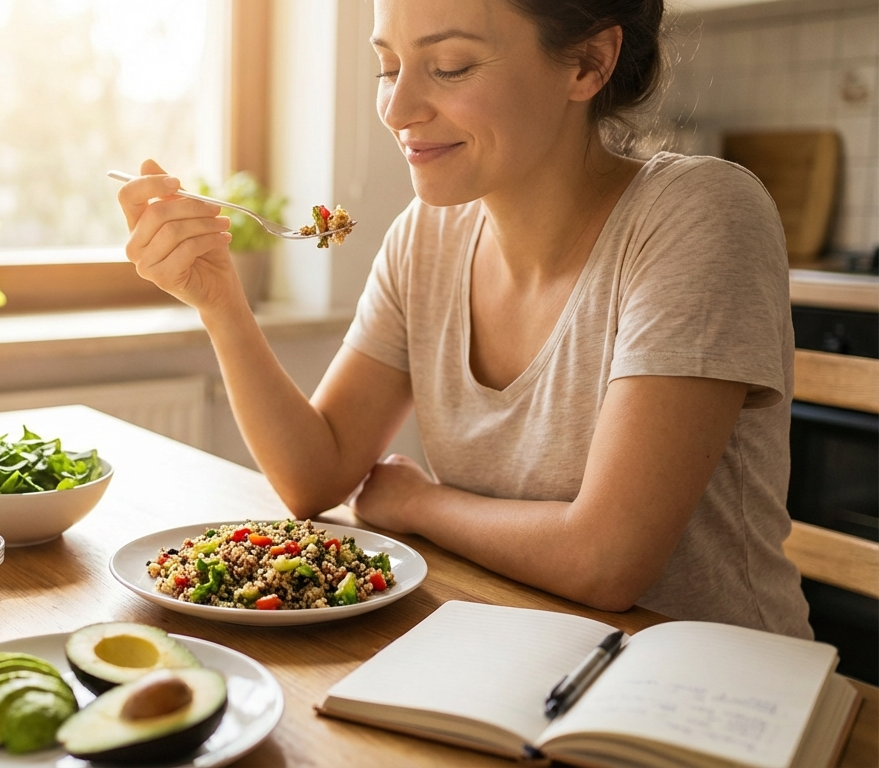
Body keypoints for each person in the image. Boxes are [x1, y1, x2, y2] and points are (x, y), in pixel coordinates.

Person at [115, 0, 809, 638]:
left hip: (715, 685)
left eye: (449, 67)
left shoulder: (699, 214)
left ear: (588, 62)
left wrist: (420, 504)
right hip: (517, 647)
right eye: (388, 67)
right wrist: (221, 303)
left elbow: (606, 562)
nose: (397, 109)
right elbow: (314, 476)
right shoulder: (427, 237)